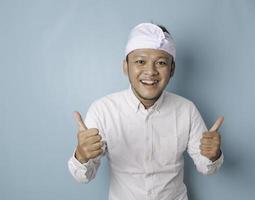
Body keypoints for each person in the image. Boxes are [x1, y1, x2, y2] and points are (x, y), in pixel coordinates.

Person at [68, 22, 224, 200]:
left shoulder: (186, 110)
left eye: (161, 63)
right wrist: (81, 155)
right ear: (126, 66)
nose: (150, 71)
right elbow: (83, 176)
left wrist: (213, 155)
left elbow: (207, 168)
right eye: (140, 61)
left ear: (172, 69)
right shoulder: (103, 110)